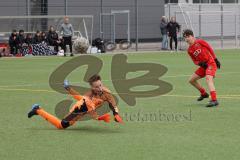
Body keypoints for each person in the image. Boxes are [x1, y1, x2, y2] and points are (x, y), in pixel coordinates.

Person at [27, 74, 123, 129]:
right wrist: (101, 118)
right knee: (61, 125)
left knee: (81, 101)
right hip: (78, 110)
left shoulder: (106, 92)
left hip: (84, 109)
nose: (100, 88)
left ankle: (67, 87)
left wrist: (116, 114)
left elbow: (112, 103)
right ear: (92, 87)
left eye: (100, 85)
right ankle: (37, 110)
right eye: (97, 87)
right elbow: (91, 112)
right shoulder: (89, 97)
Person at [183, 29, 221, 107]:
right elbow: (194, 61)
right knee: (191, 80)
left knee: (208, 79)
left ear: (192, 36)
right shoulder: (189, 50)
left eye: (188, 36)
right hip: (203, 67)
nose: (186, 39)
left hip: (210, 63)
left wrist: (215, 59)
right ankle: (203, 93)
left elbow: (210, 48)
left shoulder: (200, 42)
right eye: (185, 37)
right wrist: (200, 63)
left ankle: (214, 100)